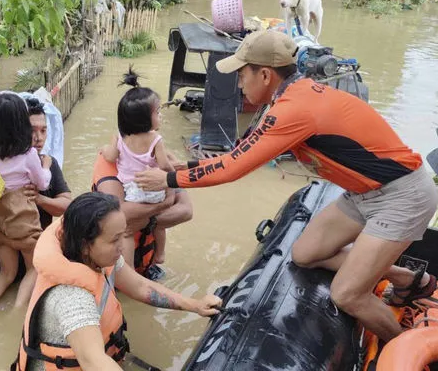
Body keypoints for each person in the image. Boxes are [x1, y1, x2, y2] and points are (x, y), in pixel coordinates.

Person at [134, 30, 438, 343]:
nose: (238, 83)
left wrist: (169, 179)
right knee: (305, 254)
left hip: (402, 195)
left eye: (241, 74)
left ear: (264, 74)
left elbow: (234, 168)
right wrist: (183, 168)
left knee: (346, 294)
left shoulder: (293, 110)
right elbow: (238, 153)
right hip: (363, 193)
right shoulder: (291, 96)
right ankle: (407, 279)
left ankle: (406, 347)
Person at [12, 192, 222, 371]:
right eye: (114, 240)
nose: (122, 246)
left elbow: (140, 286)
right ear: (86, 245)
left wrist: (195, 305)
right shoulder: (72, 297)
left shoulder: (98, 258)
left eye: (122, 236)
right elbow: (93, 361)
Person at [0, 97, 72, 283]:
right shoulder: (26, 163)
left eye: (43, 130)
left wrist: (40, 200)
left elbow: (68, 207)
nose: (38, 138)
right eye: (31, 130)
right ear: (17, 129)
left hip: (21, 267)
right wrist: (11, 242)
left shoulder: (46, 163)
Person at [0, 92, 52, 319]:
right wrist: (46, 164)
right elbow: (43, 183)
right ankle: (16, 314)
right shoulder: (28, 154)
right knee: (34, 268)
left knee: (6, 273)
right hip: (20, 215)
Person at [101, 67, 176, 264]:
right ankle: (160, 255)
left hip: (132, 192)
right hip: (153, 190)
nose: (160, 116)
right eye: (158, 112)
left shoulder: (120, 137)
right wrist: (174, 175)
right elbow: (164, 165)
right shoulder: (155, 139)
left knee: (126, 231)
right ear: (145, 119)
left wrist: (103, 148)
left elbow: (110, 157)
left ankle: (129, 268)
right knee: (159, 225)